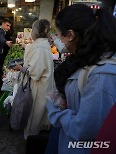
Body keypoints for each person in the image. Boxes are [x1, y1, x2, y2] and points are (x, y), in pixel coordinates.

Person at [46, 4, 116, 154]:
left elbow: (86, 129)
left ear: (70, 35)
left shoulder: (101, 75)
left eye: (58, 35)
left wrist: (56, 111)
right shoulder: (85, 59)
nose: (57, 39)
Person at [13, 19, 55, 139]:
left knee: (35, 117)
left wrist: (20, 68)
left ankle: (32, 141)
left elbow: (35, 72)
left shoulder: (40, 47)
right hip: (42, 86)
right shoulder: (42, 44)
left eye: (33, 29)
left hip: (38, 88)